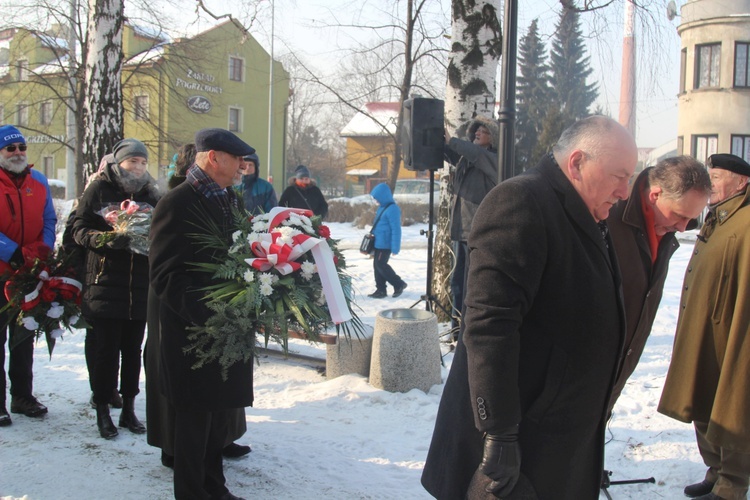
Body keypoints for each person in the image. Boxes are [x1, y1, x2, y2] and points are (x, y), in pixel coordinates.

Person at [421, 115, 638, 500]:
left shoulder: (584, 209)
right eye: (619, 176)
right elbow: (489, 325)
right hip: (518, 445)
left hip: (556, 436)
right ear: (577, 163)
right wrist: (499, 432)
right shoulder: (522, 201)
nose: (625, 191)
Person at [150, 128, 255, 500]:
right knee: (194, 426)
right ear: (213, 158)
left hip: (227, 332)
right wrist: (210, 315)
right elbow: (165, 276)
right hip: (193, 335)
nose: (244, 166)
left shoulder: (229, 198)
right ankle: (192, 493)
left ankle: (216, 489)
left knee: (217, 422)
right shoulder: (177, 202)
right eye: (236, 159)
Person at [658, 153, 750, 500]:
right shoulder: (719, 217)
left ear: (742, 183)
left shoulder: (746, 220)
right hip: (705, 329)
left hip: (733, 333)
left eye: (718, 175)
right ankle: (715, 471)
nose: (711, 182)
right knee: (703, 401)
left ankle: (733, 485)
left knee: (733, 405)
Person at [607, 156, 711, 416]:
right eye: (679, 215)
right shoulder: (607, 216)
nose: (682, 227)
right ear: (655, 195)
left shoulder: (664, 229)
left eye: (691, 220)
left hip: (614, 376)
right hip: (581, 378)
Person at [72, 138, 160, 439]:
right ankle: (102, 409)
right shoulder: (99, 188)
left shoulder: (151, 194)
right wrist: (104, 240)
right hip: (105, 282)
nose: (137, 167)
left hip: (139, 286)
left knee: (133, 351)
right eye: (132, 161)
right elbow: (79, 228)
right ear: (118, 162)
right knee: (106, 351)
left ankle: (129, 409)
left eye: (142, 162)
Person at [0, 125, 56, 426]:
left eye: (21, 147)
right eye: (11, 149)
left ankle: (22, 396)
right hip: (1, 272)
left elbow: (49, 218)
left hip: (27, 274)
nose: (18, 153)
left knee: (23, 338)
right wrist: (12, 251)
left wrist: (42, 250)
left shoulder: (39, 181)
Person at [443, 116, 498, 332]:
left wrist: (452, 141)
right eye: (476, 130)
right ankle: (457, 328)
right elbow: (454, 154)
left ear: (493, 138)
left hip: (478, 233)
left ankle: (468, 331)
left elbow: (475, 153)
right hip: (461, 231)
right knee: (457, 284)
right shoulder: (468, 159)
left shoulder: (492, 158)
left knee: (471, 286)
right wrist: (440, 142)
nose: (478, 133)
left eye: (483, 131)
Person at [366, 183, 407, 299]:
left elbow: (396, 229)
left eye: (377, 198)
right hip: (378, 242)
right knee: (377, 266)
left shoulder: (393, 209)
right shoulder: (382, 208)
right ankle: (381, 289)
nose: (375, 200)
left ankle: (399, 283)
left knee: (381, 265)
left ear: (383, 196)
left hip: (386, 244)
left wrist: (395, 247)